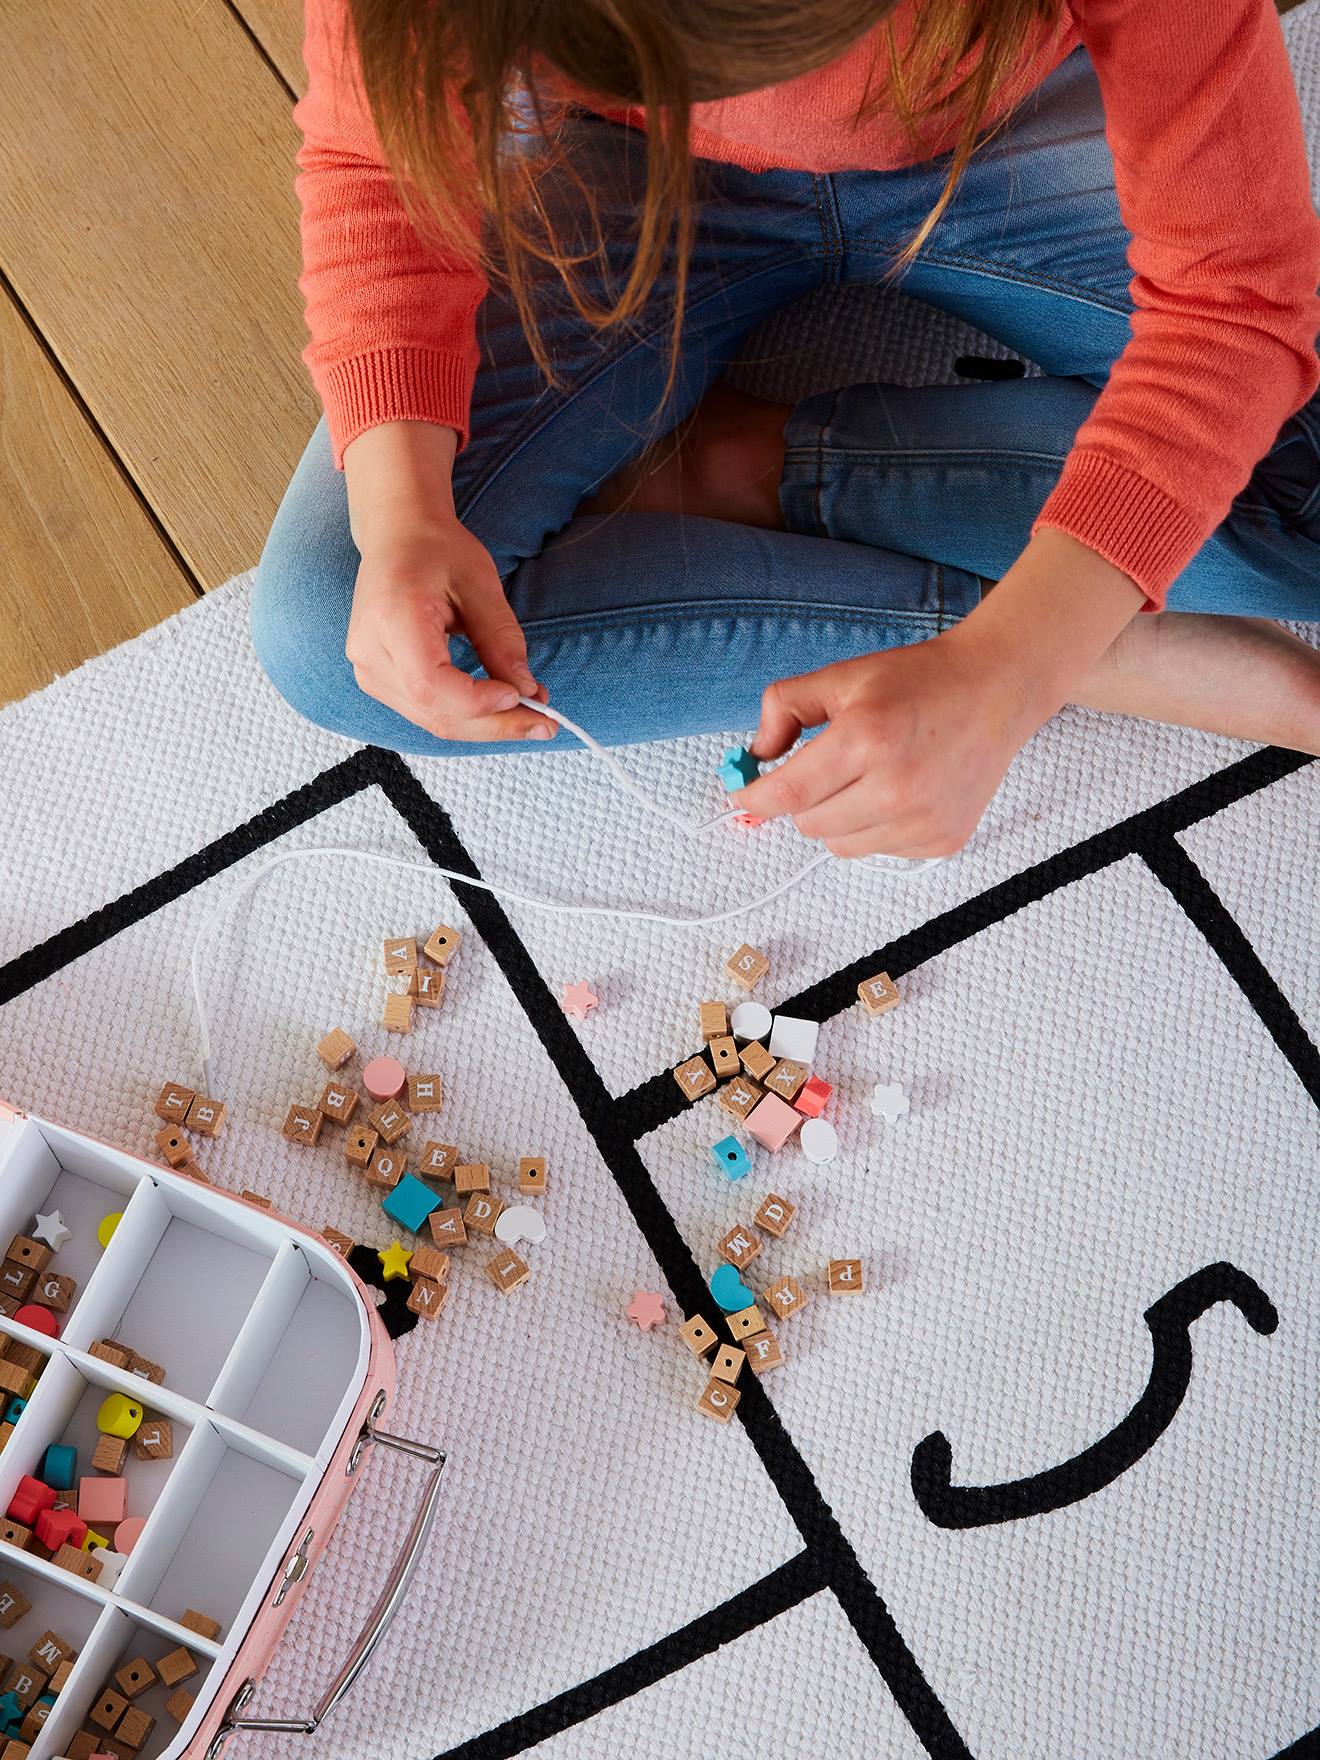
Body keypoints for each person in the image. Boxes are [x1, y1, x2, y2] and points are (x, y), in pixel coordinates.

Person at [253, 0, 1320, 858]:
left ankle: (755, 469)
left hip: (1002, 123)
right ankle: (1088, 647)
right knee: (339, 628)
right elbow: (379, 160)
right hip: (624, 179)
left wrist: (1010, 671)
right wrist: (403, 519)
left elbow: (1238, 304)